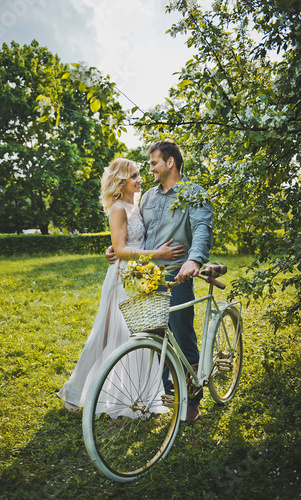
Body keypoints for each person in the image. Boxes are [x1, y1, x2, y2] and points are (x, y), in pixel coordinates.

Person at [57, 157, 185, 414]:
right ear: (121, 181)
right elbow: (121, 249)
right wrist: (155, 253)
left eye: (139, 174)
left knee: (136, 335)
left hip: (139, 276)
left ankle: (136, 395)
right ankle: (74, 390)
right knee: (105, 334)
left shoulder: (135, 205)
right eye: (135, 176)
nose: (140, 179)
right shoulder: (118, 208)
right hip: (121, 277)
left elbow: (128, 241)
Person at [106, 140, 213, 422]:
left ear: (170, 162)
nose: (149, 168)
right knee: (154, 335)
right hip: (147, 278)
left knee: (181, 335)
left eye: (153, 162)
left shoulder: (194, 193)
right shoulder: (150, 197)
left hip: (178, 275)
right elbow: (136, 230)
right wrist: (115, 247)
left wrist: (194, 259)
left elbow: (202, 227)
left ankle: (191, 400)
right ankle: (165, 389)